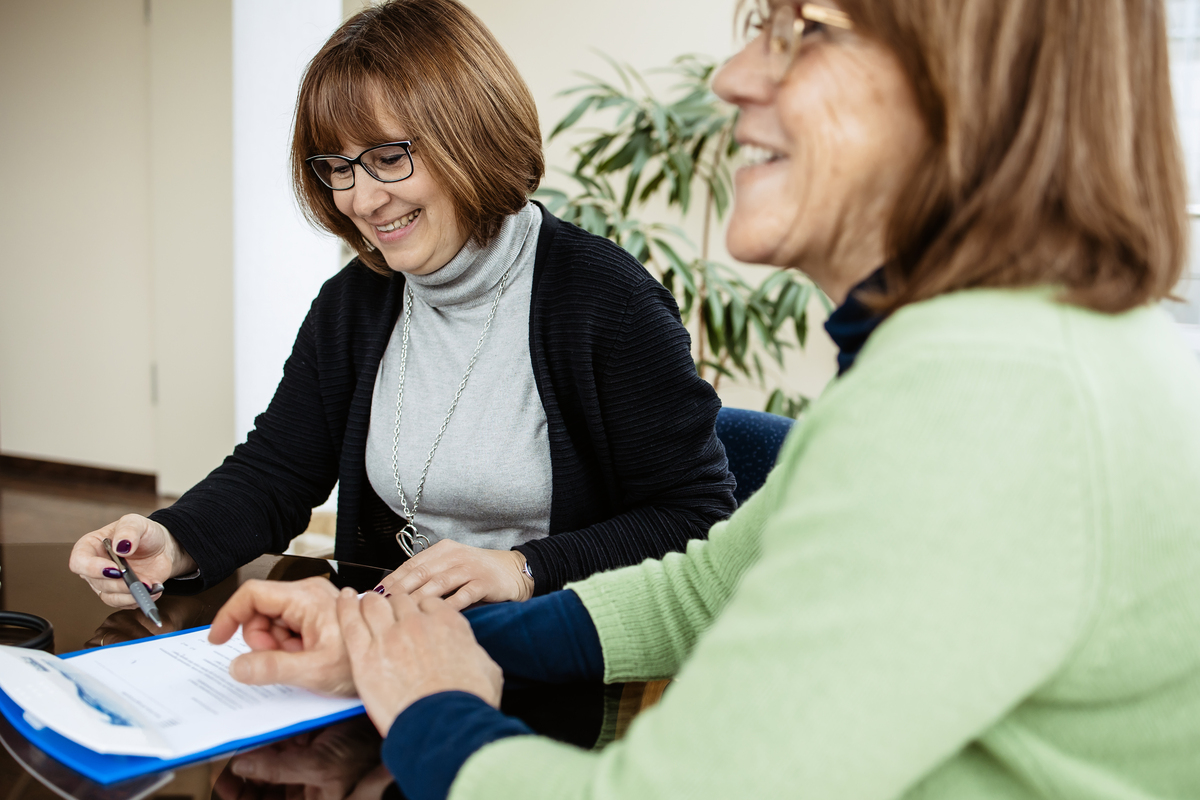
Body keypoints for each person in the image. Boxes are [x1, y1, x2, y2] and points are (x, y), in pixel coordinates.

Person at [208, 0, 1200, 797]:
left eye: (799, 30)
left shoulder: (990, 397)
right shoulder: (959, 356)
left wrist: (431, 710)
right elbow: (704, 584)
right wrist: (390, 639)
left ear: (978, 83)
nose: (732, 76)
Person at [68, 0, 735, 611]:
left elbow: (695, 516)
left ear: (472, 134)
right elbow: (276, 470)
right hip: (388, 635)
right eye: (339, 166)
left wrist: (523, 568)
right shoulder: (355, 302)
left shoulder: (605, 300)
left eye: (388, 157)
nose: (361, 199)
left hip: (551, 645)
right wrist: (171, 537)